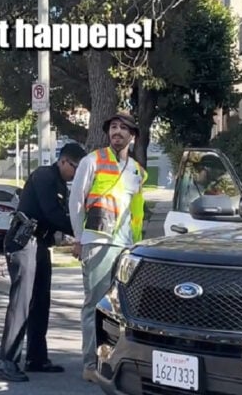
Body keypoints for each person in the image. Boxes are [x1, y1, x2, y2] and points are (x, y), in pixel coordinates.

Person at [0, 143, 88, 382]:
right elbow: (53, 214)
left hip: (40, 245)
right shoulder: (44, 176)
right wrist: (82, 232)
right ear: (64, 161)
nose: (76, 173)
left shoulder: (60, 183)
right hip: (23, 242)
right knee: (21, 303)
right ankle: (7, 361)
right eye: (75, 168)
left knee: (41, 302)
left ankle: (36, 357)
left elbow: (60, 215)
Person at [68, 111, 147, 382]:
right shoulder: (93, 160)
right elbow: (76, 201)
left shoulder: (137, 170)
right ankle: (90, 365)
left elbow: (136, 212)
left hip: (125, 247)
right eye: (113, 127)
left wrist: (136, 247)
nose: (117, 132)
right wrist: (78, 238)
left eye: (124, 128)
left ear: (132, 136)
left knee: (121, 309)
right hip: (98, 242)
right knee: (95, 305)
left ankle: (113, 360)